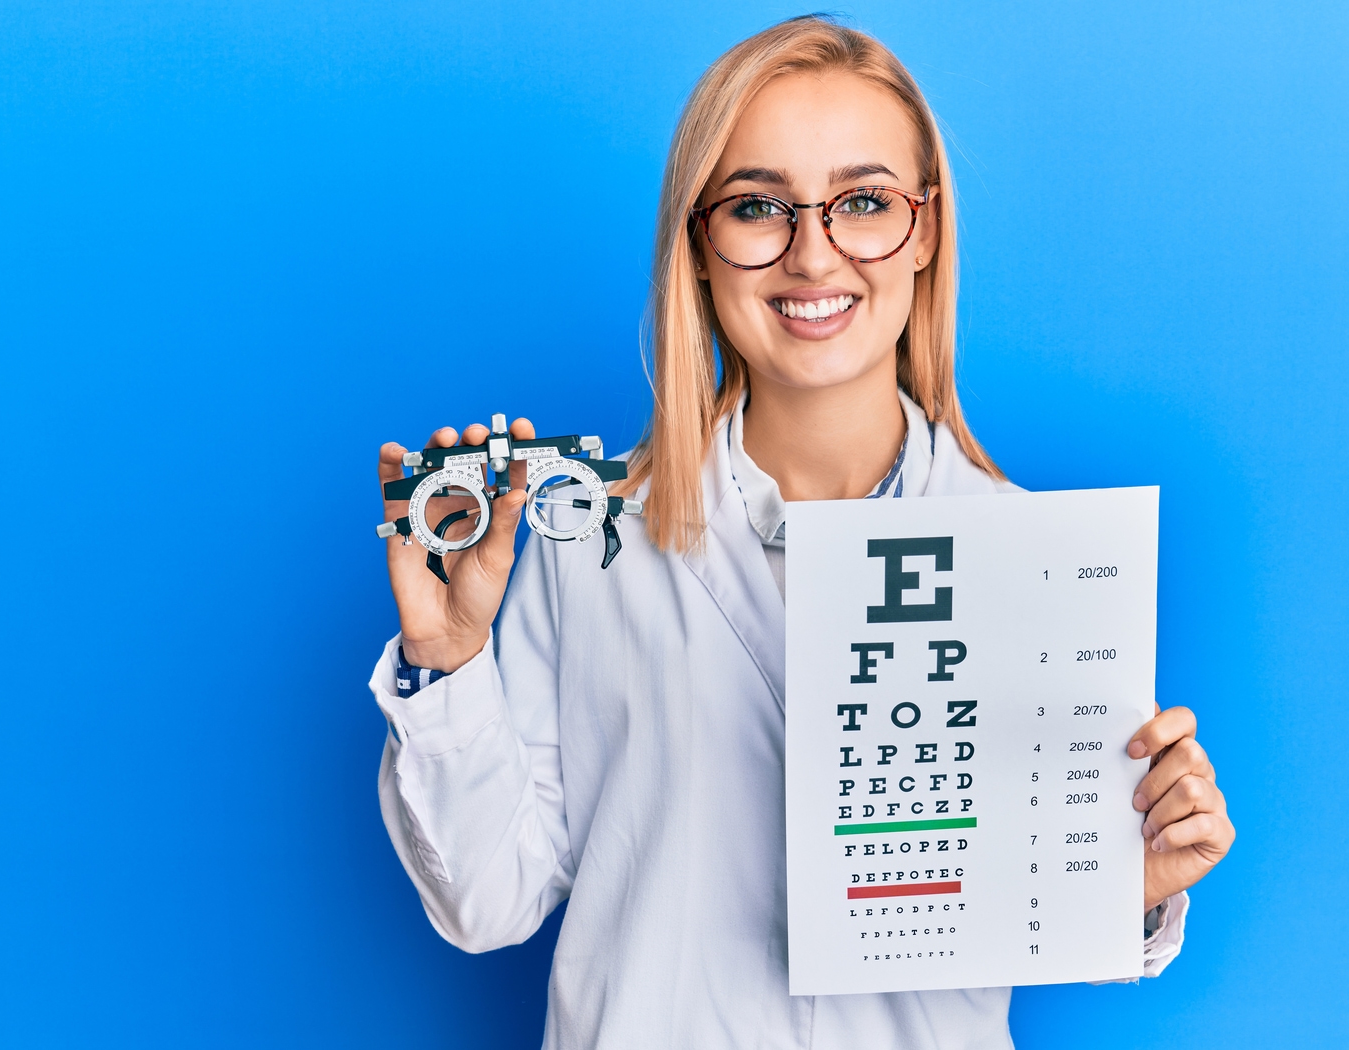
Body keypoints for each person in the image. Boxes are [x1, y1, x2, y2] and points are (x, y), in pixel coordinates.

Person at [371, 15, 1235, 1049]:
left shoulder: (1035, 567)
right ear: (697, 242)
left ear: (923, 231)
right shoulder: (585, 539)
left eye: (863, 202)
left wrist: (1124, 877)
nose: (811, 252)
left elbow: (1025, 907)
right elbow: (485, 904)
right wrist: (448, 656)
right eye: (756, 207)